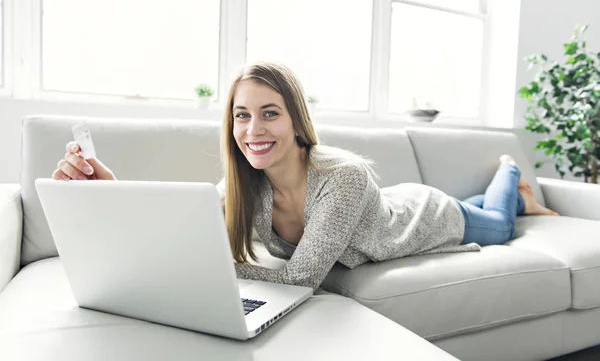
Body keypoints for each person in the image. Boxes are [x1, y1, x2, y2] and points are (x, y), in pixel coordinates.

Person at [52, 61, 559, 290]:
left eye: (270, 113)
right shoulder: (242, 183)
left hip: (428, 217)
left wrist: (204, 267)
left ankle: (511, 178)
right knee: (490, 214)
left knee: (499, 222)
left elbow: (300, 279)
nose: (253, 129)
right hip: (390, 202)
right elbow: (181, 223)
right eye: (242, 115)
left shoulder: (345, 178)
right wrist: (111, 192)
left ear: (297, 121)